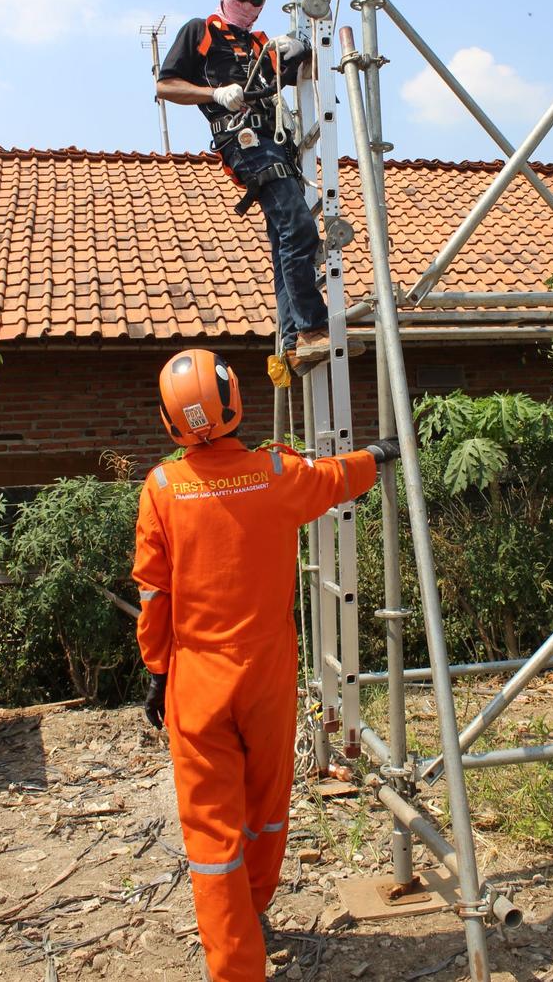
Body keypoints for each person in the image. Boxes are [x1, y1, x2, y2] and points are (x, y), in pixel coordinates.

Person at [132, 348, 399, 982]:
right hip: (268, 675)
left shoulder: (162, 489)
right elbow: (337, 477)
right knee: (267, 806)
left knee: (211, 834)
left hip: (196, 681)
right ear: (234, 402)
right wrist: (381, 456)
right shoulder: (276, 473)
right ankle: (254, 909)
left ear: (171, 424)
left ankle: (236, 966)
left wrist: (157, 671)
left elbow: (153, 593)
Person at [157, 0, 363, 374]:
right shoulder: (200, 32)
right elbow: (166, 85)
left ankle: (293, 344)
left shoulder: (261, 47)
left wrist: (304, 47)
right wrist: (213, 93)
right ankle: (311, 326)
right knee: (298, 226)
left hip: (275, 142)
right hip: (243, 142)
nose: (248, 5)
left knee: (286, 243)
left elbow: (303, 69)